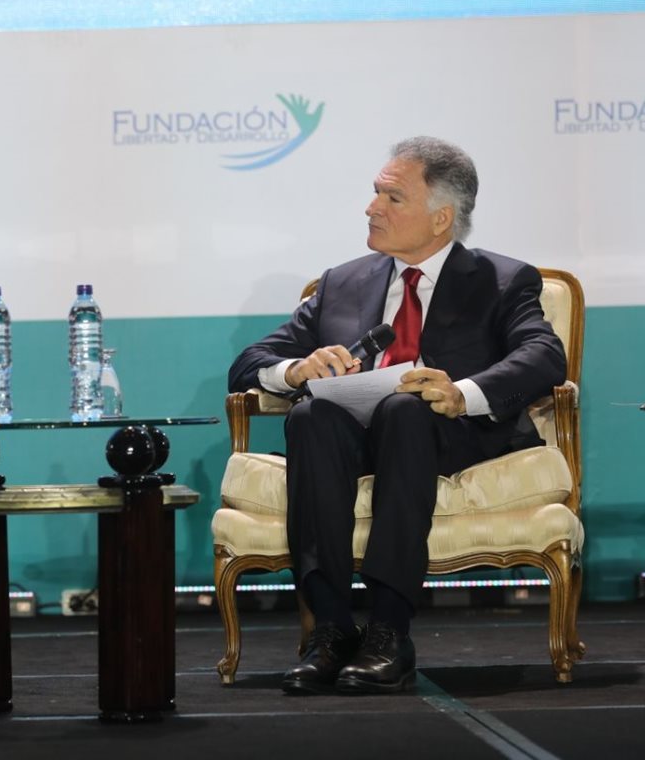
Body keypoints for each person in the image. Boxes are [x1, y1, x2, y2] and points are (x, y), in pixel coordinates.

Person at [228, 137, 566, 695]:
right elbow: (250, 363)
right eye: (374, 193)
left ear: (441, 218)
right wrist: (296, 371)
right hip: (353, 438)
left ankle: (389, 631)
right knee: (312, 417)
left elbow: (543, 355)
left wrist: (462, 392)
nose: (371, 207)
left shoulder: (502, 280)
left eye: (391, 196)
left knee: (407, 409)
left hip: (446, 436)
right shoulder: (343, 282)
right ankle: (332, 631)